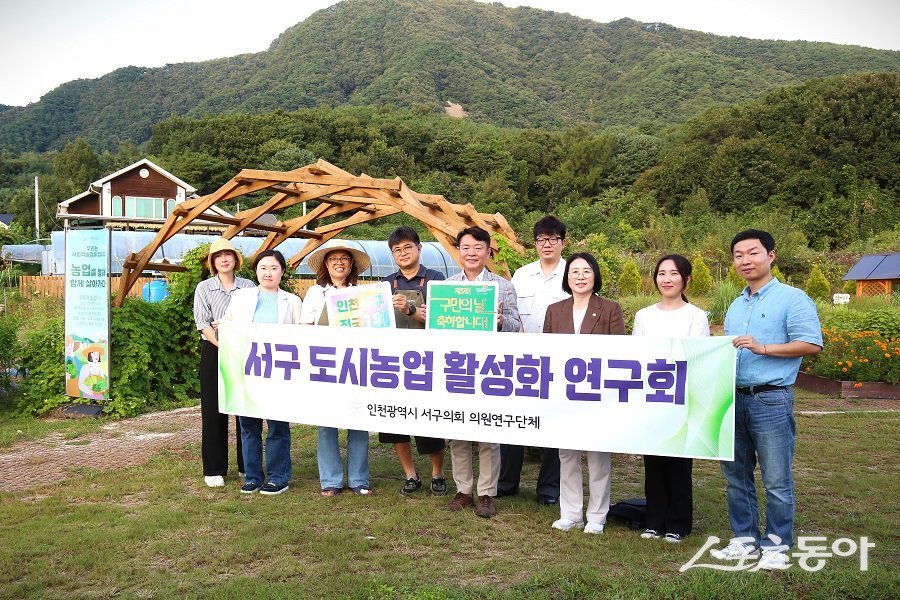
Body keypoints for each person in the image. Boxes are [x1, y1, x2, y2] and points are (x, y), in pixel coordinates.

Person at [712, 229, 822, 570]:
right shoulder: (735, 303)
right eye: (738, 255)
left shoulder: (793, 298)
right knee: (736, 475)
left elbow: (811, 343)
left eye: (753, 253)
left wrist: (764, 348)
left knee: (776, 478)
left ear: (771, 255)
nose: (745, 260)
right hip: (733, 399)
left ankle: (776, 544)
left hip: (770, 399)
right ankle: (744, 540)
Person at [443, 226, 521, 519]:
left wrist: (501, 322)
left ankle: (487, 493)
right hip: (458, 367)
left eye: (478, 247)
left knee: (489, 433)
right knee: (458, 431)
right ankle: (463, 491)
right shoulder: (447, 287)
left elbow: (517, 326)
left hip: (491, 369)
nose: (472, 253)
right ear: (459, 252)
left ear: (488, 252)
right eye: (466, 247)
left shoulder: (503, 286)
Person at [544, 252, 625, 534]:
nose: (580, 276)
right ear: (567, 277)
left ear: (595, 276)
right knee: (567, 455)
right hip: (564, 394)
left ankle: (597, 516)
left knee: (598, 456)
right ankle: (570, 512)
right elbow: (546, 354)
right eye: (574, 271)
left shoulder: (610, 308)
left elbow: (620, 353)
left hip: (599, 393)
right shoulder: (555, 310)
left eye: (586, 271)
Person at [632, 254, 709, 543]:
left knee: (678, 461)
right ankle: (653, 520)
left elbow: (696, 356)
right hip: (650, 395)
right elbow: (637, 355)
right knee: (652, 462)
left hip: (681, 395)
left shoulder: (696, 316)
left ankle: (678, 523)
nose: (666, 279)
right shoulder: (644, 315)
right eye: (661, 273)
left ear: (686, 279)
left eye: (674, 273)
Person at [500, 215, 569, 504]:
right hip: (523, 360)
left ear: (563, 242)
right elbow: (513, 316)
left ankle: (549, 488)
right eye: (541, 240)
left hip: (561, 360)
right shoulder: (522, 274)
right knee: (515, 421)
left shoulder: (574, 272)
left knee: (555, 424)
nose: (547, 245)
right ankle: (506, 482)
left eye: (553, 239)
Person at [222, 250, 303, 495]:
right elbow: (229, 324)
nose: (268, 273)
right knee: (248, 425)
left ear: (282, 272)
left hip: (279, 373)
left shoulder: (292, 301)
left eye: (274, 268)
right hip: (248, 370)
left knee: (278, 426)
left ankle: (278, 476)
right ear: (256, 271)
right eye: (263, 268)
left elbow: (302, 337)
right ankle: (253, 475)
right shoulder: (241, 297)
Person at [300, 240, 374, 497]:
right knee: (327, 423)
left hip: (356, 364)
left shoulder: (362, 293)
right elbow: (305, 327)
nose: (339, 263)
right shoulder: (314, 293)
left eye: (344, 258)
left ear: (351, 264)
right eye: (333, 259)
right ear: (326, 265)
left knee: (358, 421)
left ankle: (359, 479)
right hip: (326, 363)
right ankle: (330, 480)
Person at [380, 226, 448, 496]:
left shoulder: (435, 279)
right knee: (395, 420)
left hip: (427, 361)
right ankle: (410, 475)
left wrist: (411, 310)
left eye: (408, 247)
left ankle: (437, 473)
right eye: (397, 250)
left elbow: (443, 320)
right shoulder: (386, 284)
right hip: (393, 362)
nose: (403, 253)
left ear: (419, 249)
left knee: (429, 419)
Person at [193, 237, 254, 488]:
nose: (224, 259)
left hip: (245, 351)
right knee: (213, 409)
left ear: (236, 259)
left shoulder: (249, 286)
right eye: (218, 256)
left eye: (228, 255)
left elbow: (253, 318)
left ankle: (246, 465)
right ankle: (214, 468)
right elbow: (203, 324)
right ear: (212, 262)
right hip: (215, 350)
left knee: (245, 408)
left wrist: (237, 342)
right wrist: (224, 343)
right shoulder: (204, 288)